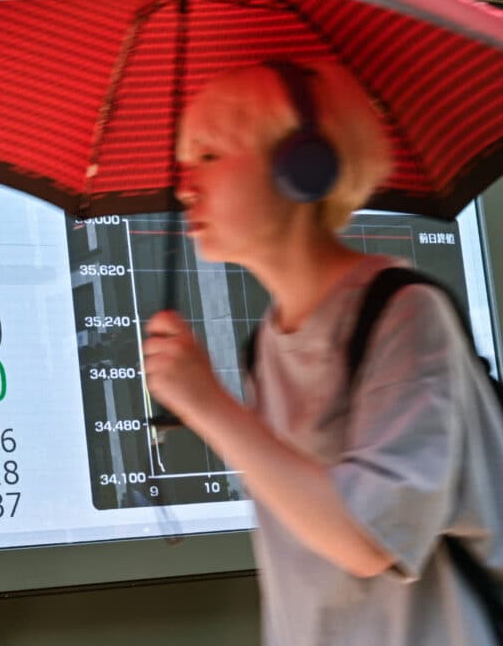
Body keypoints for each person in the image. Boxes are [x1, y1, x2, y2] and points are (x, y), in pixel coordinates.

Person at [142, 59, 503, 646]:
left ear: (300, 168)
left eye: (210, 157)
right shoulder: (269, 343)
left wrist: (209, 405)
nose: (186, 185)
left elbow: (368, 540)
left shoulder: (406, 316)